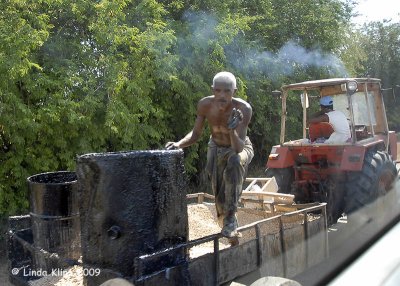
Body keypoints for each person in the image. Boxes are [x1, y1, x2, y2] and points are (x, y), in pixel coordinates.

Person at [165, 71, 254, 238]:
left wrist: (232, 130)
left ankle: (230, 220)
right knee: (217, 188)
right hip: (215, 146)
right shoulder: (205, 105)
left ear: (234, 91)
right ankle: (225, 218)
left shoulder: (243, 109)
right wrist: (178, 144)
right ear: (212, 89)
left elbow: (238, 148)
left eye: (227, 91)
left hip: (239, 147)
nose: (222, 95)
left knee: (234, 162)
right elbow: (196, 134)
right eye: (218, 90)